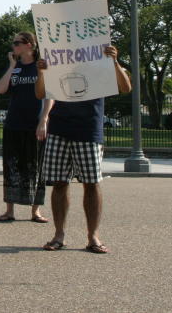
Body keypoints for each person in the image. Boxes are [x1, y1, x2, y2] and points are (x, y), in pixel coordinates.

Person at [38, 45, 131, 254]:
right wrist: (41, 73)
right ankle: (59, 234)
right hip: (59, 129)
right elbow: (40, 93)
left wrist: (115, 62)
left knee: (91, 183)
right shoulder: (57, 58)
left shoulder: (100, 59)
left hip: (89, 129)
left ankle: (93, 236)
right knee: (59, 184)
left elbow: (126, 88)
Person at [0, 31, 51, 223]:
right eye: (13, 43)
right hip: (14, 123)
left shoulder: (41, 66)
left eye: (17, 43)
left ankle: (35, 211)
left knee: (36, 167)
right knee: (11, 166)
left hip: (35, 124)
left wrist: (43, 120)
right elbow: (1, 89)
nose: (14, 46)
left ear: (29, 45)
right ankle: (9, 210)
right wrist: (11, 66)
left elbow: (49, 95)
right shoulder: (16, 67)